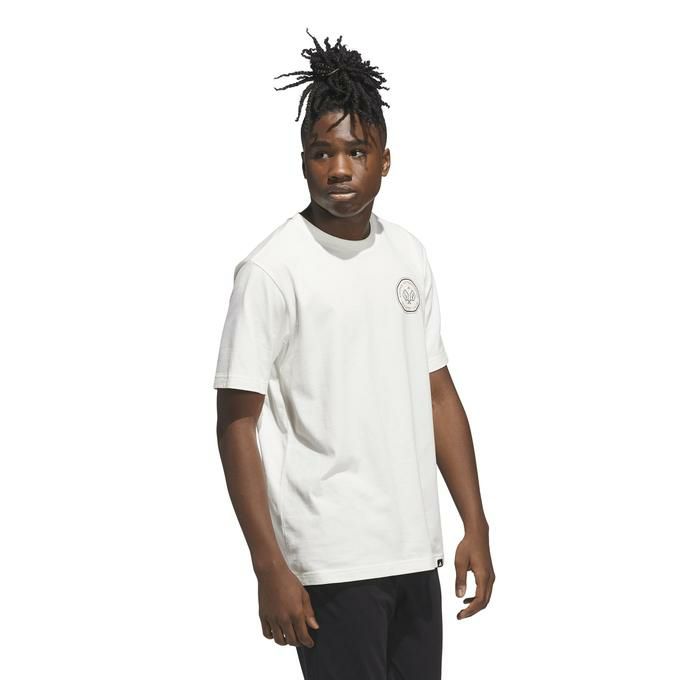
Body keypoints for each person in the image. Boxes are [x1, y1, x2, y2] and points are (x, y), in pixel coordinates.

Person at [213, 28, 494, 680]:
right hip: (330, 563)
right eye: (322, 152)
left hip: (413, 553)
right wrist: (269, 566)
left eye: (356, 151)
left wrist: (474, 523)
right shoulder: (272, 270)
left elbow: (438, 394)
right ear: (303, 161)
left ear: (385, 161)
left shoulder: (408, 255)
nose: (339, 168)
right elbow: (236, 423)